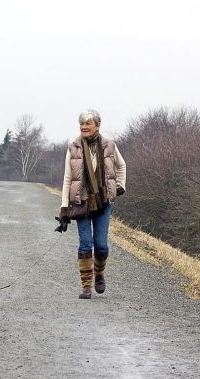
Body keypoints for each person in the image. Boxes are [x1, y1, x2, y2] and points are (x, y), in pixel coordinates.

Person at [57, 109, 126, 299]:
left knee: (101, 246)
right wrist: (64, 208)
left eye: (88, 123)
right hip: (81, 203)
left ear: (97, 125)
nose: (84, 127)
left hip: (103, 202)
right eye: (81, 123)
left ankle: (99, 273)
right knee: (85, 244)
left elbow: (121, 165)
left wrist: (120, 186)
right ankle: (86, 286)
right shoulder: (73, 148)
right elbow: (67, 179)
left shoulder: (109, 145)